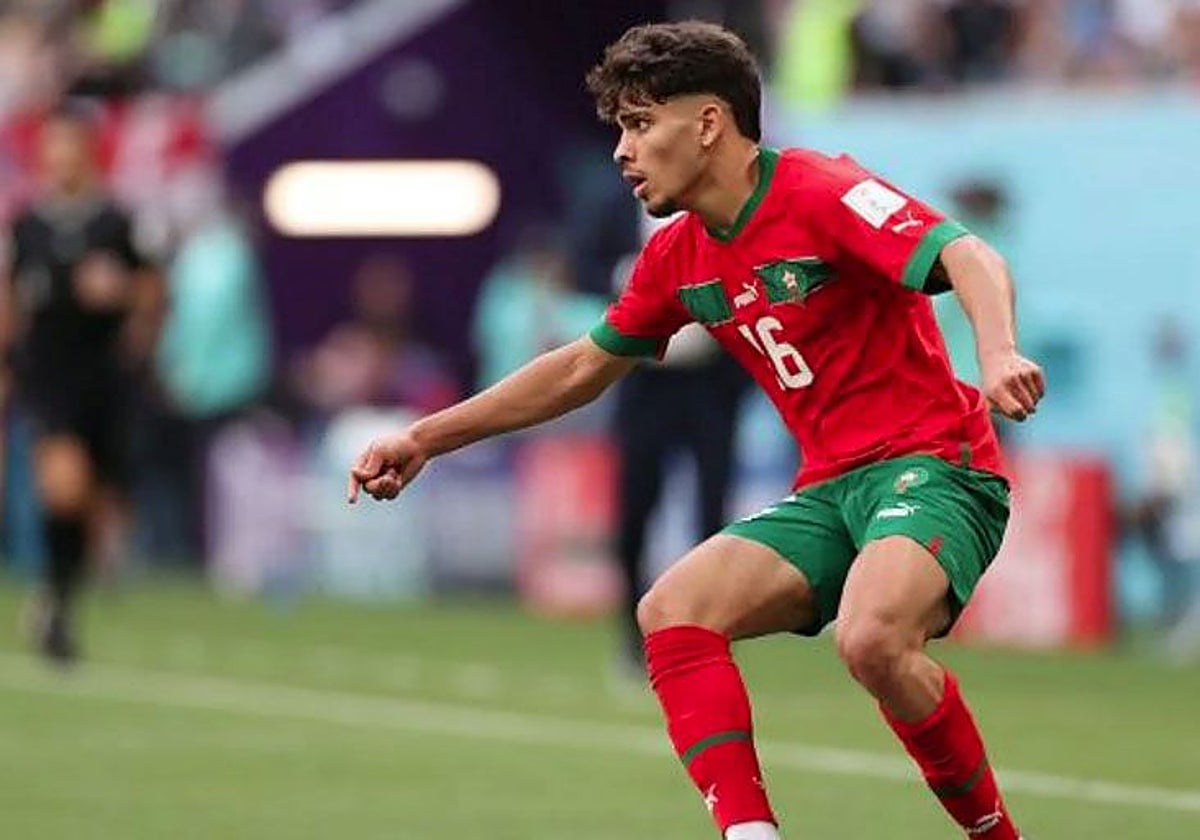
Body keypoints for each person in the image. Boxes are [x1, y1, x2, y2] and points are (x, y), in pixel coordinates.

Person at [348, 21, 1043, 840]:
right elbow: (579, 369)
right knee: (673, 610)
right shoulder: (676, 257)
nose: (622, 151)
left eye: (640, 124)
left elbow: (968, 254)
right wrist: (425, 438)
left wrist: (997, 354)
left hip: (936, 466)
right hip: (831, 489)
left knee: (871, 638)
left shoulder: (821, 191)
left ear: (709, 123)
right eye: (621, 129)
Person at [1, 102, 160, 664]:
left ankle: (57, 600)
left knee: (100, 503)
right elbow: (11, 302)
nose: (59, 156)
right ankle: (55, 597)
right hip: (50, 377)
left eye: (69, 144)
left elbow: (153, 292)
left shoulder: (118, 223)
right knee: (63, 486)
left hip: (106, 379)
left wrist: (124, 296)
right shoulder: (28, 227)